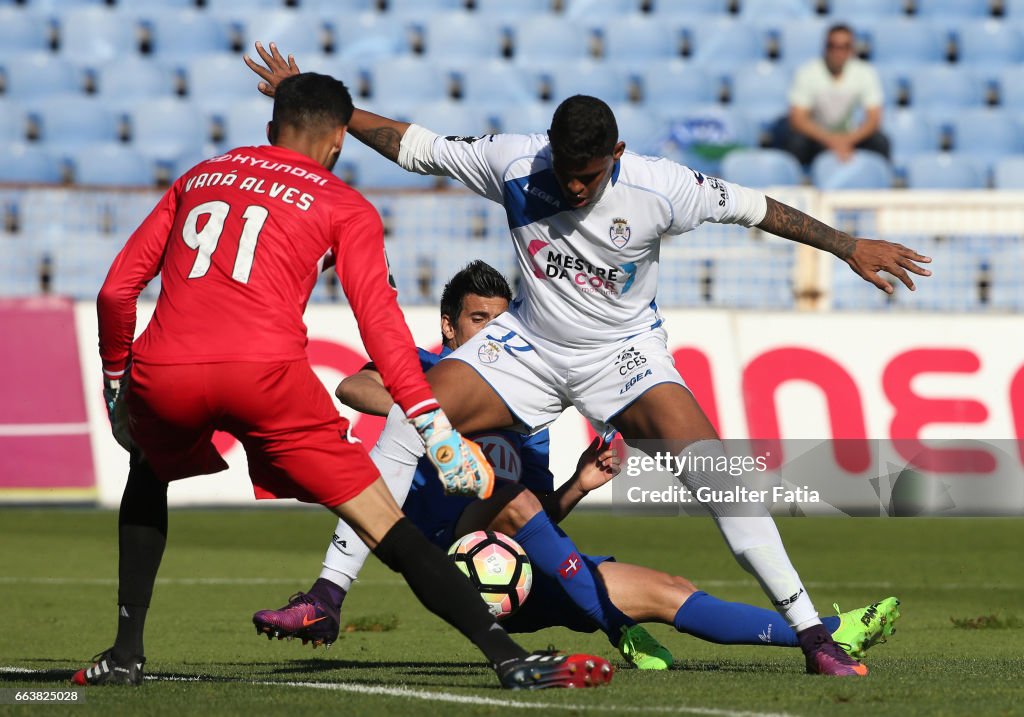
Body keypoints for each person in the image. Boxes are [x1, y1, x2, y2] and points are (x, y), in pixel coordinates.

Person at [247, 43, 930, 677]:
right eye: (568, 174)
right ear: (550, 149)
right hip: (528, 346)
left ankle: (814, 635)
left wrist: (847, 246)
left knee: (719, 472)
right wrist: (330, 110)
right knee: (414, 408)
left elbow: (756, 208)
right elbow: (412, 145)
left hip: (623, 355)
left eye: (590, 176)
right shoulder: (516, 163)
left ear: (618, 154)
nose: (575, 189)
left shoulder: (663, 186)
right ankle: (328, 594)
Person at [75, 72, 613, 691]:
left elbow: (116, 291)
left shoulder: (200, 177)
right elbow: (380, 327)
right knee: (383, 521)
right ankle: (507, 658)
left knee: (148, 469)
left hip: (165, 367)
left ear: (271, 130)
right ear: (337, 142)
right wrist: (432, 426)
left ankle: (124, 652)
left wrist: (119, 383)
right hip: (266, 376)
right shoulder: (344, 203)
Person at [253, 260, 902, 670]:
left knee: (667, 585)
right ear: (448, 328)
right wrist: (435, 420)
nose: (490, 337)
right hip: (459, 569)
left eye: (501, 324)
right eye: (477, 321)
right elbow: (356, 388)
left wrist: (579, 484)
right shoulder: (430, 378)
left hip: (519, 568)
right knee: (628, 579)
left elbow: (534, 516)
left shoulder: (521, 410)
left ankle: (621, 622)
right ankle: (823, 632)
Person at [776, 23, 891, 166]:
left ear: (852, 49)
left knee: (880, 142)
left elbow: (874, 118)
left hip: (850, 136)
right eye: (833, 46)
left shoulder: (865, 72)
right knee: (796, 142)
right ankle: (799, 183)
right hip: (817, 137)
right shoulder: (807, 72)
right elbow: (798, 119)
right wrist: (831, 140)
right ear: (825, 47)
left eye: (845, 46)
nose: (838, 52)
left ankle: (879, 182)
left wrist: (847, 140)